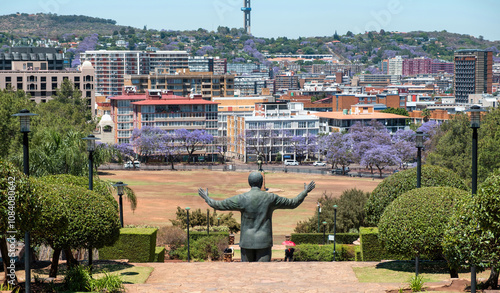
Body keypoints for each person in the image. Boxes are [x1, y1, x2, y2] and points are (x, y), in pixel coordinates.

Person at [198, 172, 315, 262]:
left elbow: (218, 205)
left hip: (246, 241)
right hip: (264, 241)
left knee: (247, 274)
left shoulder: (241, 198)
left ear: (249, 183)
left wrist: (207, 198)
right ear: (261, 183)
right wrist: (305, 192)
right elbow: (293, 203)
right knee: (263, 274)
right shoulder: (270, 198)